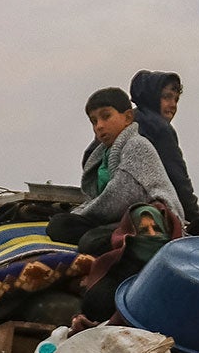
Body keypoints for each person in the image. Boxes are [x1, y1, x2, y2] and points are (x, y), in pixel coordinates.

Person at [55, 88, 182, 240]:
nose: (99, 126)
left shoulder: (136, 146)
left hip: (151, 221)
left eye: (106, 116)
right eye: (94, 121)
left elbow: (120, 198)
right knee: (61, 224)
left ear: (128, 117)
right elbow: (96, 199)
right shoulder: (103, 156)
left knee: (90, 239)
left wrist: (81, 215)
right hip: (120, 218)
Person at [79, 201, 184, 323]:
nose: (152, 235)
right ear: (130, 235)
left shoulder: (178, 270)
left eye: (156, 229)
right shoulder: (115, 267)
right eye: (144, 231)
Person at [125, 70, 199, 230]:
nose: (173, 105)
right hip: (147, 211)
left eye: (176, 99)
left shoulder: (125, 120)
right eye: (167, 97)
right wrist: (198, 220)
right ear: (152, 96)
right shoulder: (159, 128)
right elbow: (179, 179)